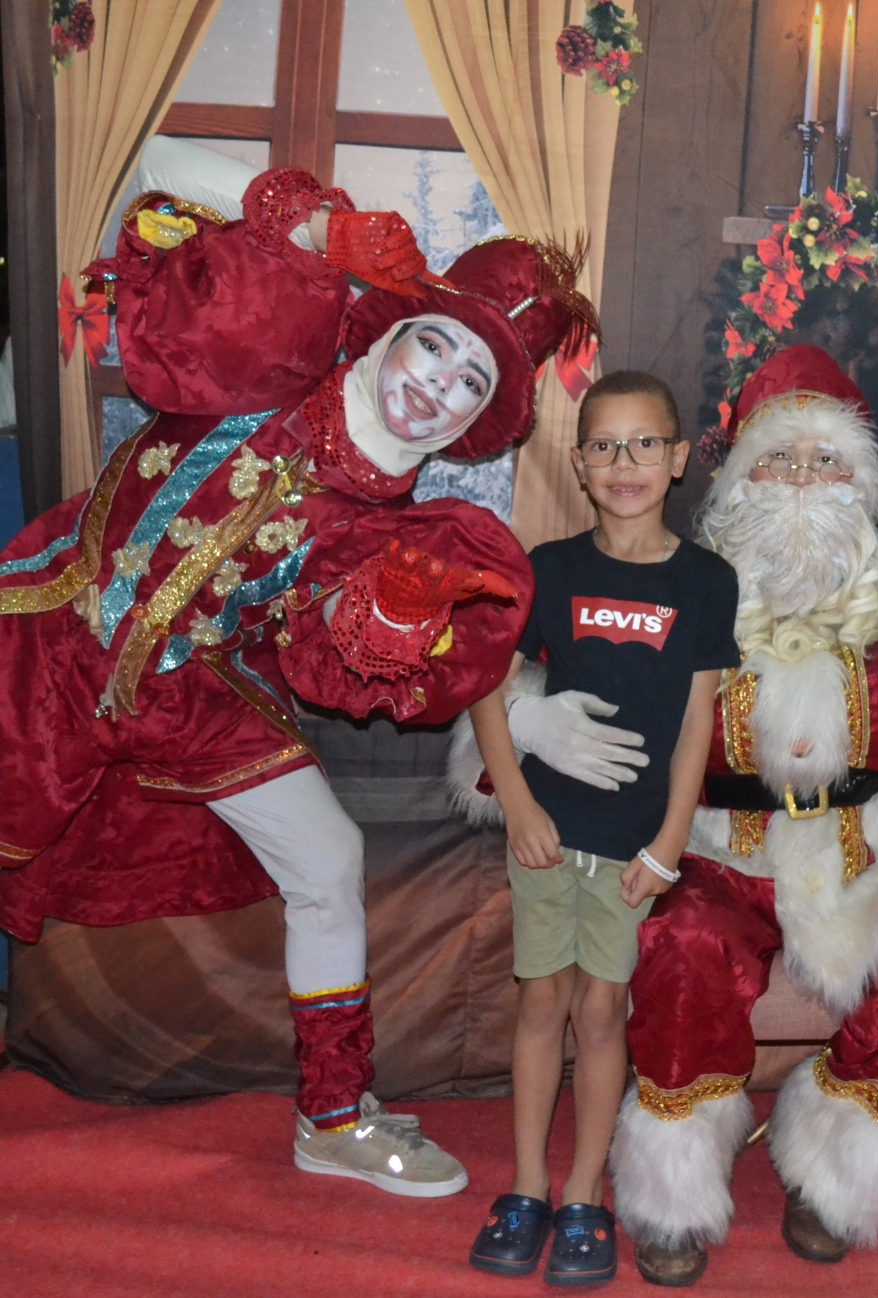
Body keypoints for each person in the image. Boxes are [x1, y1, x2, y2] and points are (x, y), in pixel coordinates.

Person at [0, 140, 598, 1199]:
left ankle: (332, 1116)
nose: (440, 386)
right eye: (435, 345)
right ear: (391, 331)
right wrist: (324, 230)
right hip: (45, 634)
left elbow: (336, 657)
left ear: (472, 426)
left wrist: (399, 610)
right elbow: (153, 164)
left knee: (326, 856)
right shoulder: (276, 350)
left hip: (190, 692)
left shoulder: (388, 530)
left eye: (471, 384)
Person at [451, 345, 878, 1285]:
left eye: (826, 460)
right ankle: (674, 1191)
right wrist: (529, 722)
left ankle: (833, 1166)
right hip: (710, 849)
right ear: (740, 475)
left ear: (859, 478)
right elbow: (545, 667)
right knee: (683, 944)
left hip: (869, 856)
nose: (805, 479)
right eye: (781, 458)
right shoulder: (689, 583)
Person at [463, 371, 741, 1285]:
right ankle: (528, 1186)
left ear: (678, 458)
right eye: (605, 446)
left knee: (599, 1011)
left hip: (633, 847)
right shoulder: (548, 569)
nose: (626, 463)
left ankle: (586, 1192)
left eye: (644, 444)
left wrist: (669, 845)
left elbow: (697, 722)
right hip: (546, 831)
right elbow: (487, 689)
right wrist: (517, 801)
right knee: (542, 1003)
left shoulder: (707, 582)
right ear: (580, 464)